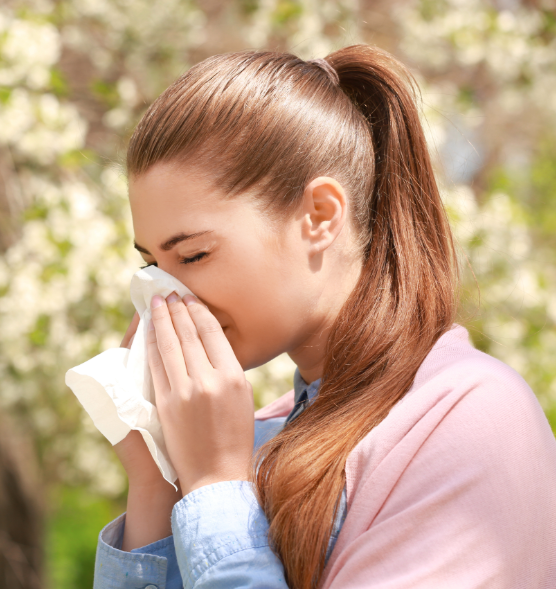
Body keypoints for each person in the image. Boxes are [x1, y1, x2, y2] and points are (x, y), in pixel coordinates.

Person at [90, 45, 556, 589]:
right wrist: (156, 483)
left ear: (319, 216)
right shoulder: (262, 436)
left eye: (193, 256)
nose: (163, 295)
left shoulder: (467, 418)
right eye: (150, 264)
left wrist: (215, 486)